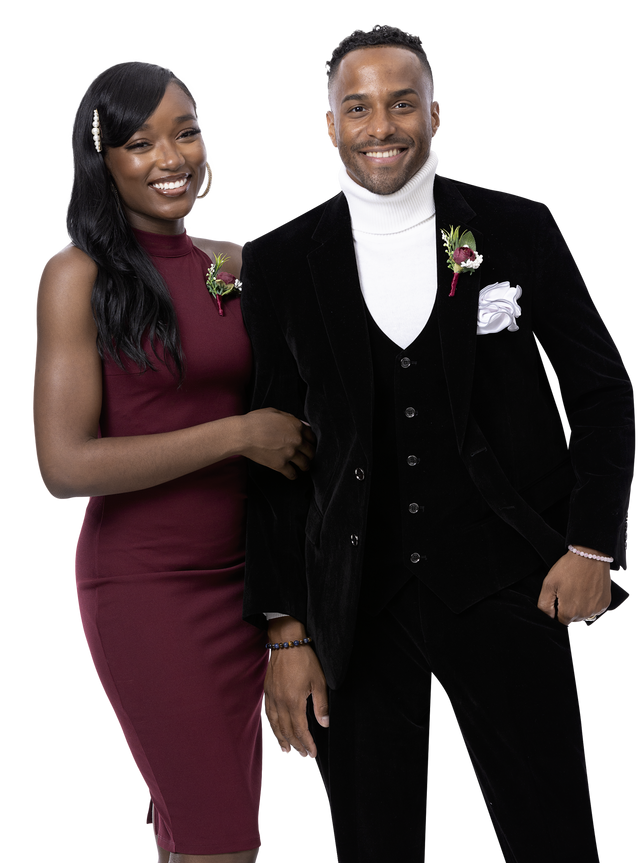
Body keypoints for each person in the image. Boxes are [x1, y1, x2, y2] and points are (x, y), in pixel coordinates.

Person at [239, 23, 635, 863]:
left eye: (401, 103)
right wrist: (286, 630)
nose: (381, 126)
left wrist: (593, 543)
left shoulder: (518, 225)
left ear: (436, 113)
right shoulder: (277, 260)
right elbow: (273, 457)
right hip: (353, 601)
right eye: (358, 107)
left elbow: (603, 391)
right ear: (329, 126)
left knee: (554, 838)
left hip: (507, 575)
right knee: (372, 847)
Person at [32, 58, 315, 863]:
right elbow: (63, 465)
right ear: (103, 160)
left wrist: (289, 616)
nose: (171, 158)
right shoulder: (76, 275)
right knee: (220, 838)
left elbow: (298, 431)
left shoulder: (239, 264)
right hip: (148, 586)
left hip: (251, 582)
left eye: (185, 133)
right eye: (140, 143)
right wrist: (235, 434)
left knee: (203, 835)